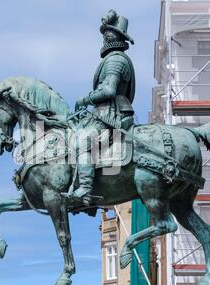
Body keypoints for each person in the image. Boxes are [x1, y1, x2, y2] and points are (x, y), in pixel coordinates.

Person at [69, 9, 136, 205]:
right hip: (103, 113)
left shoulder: (115, 59)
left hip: (111, 115)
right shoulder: (113, 58)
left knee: (83, 141)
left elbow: (108, 90)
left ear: (114, 37)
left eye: (107, 33)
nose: (104, 37)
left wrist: (85, 99)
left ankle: (86, 190)